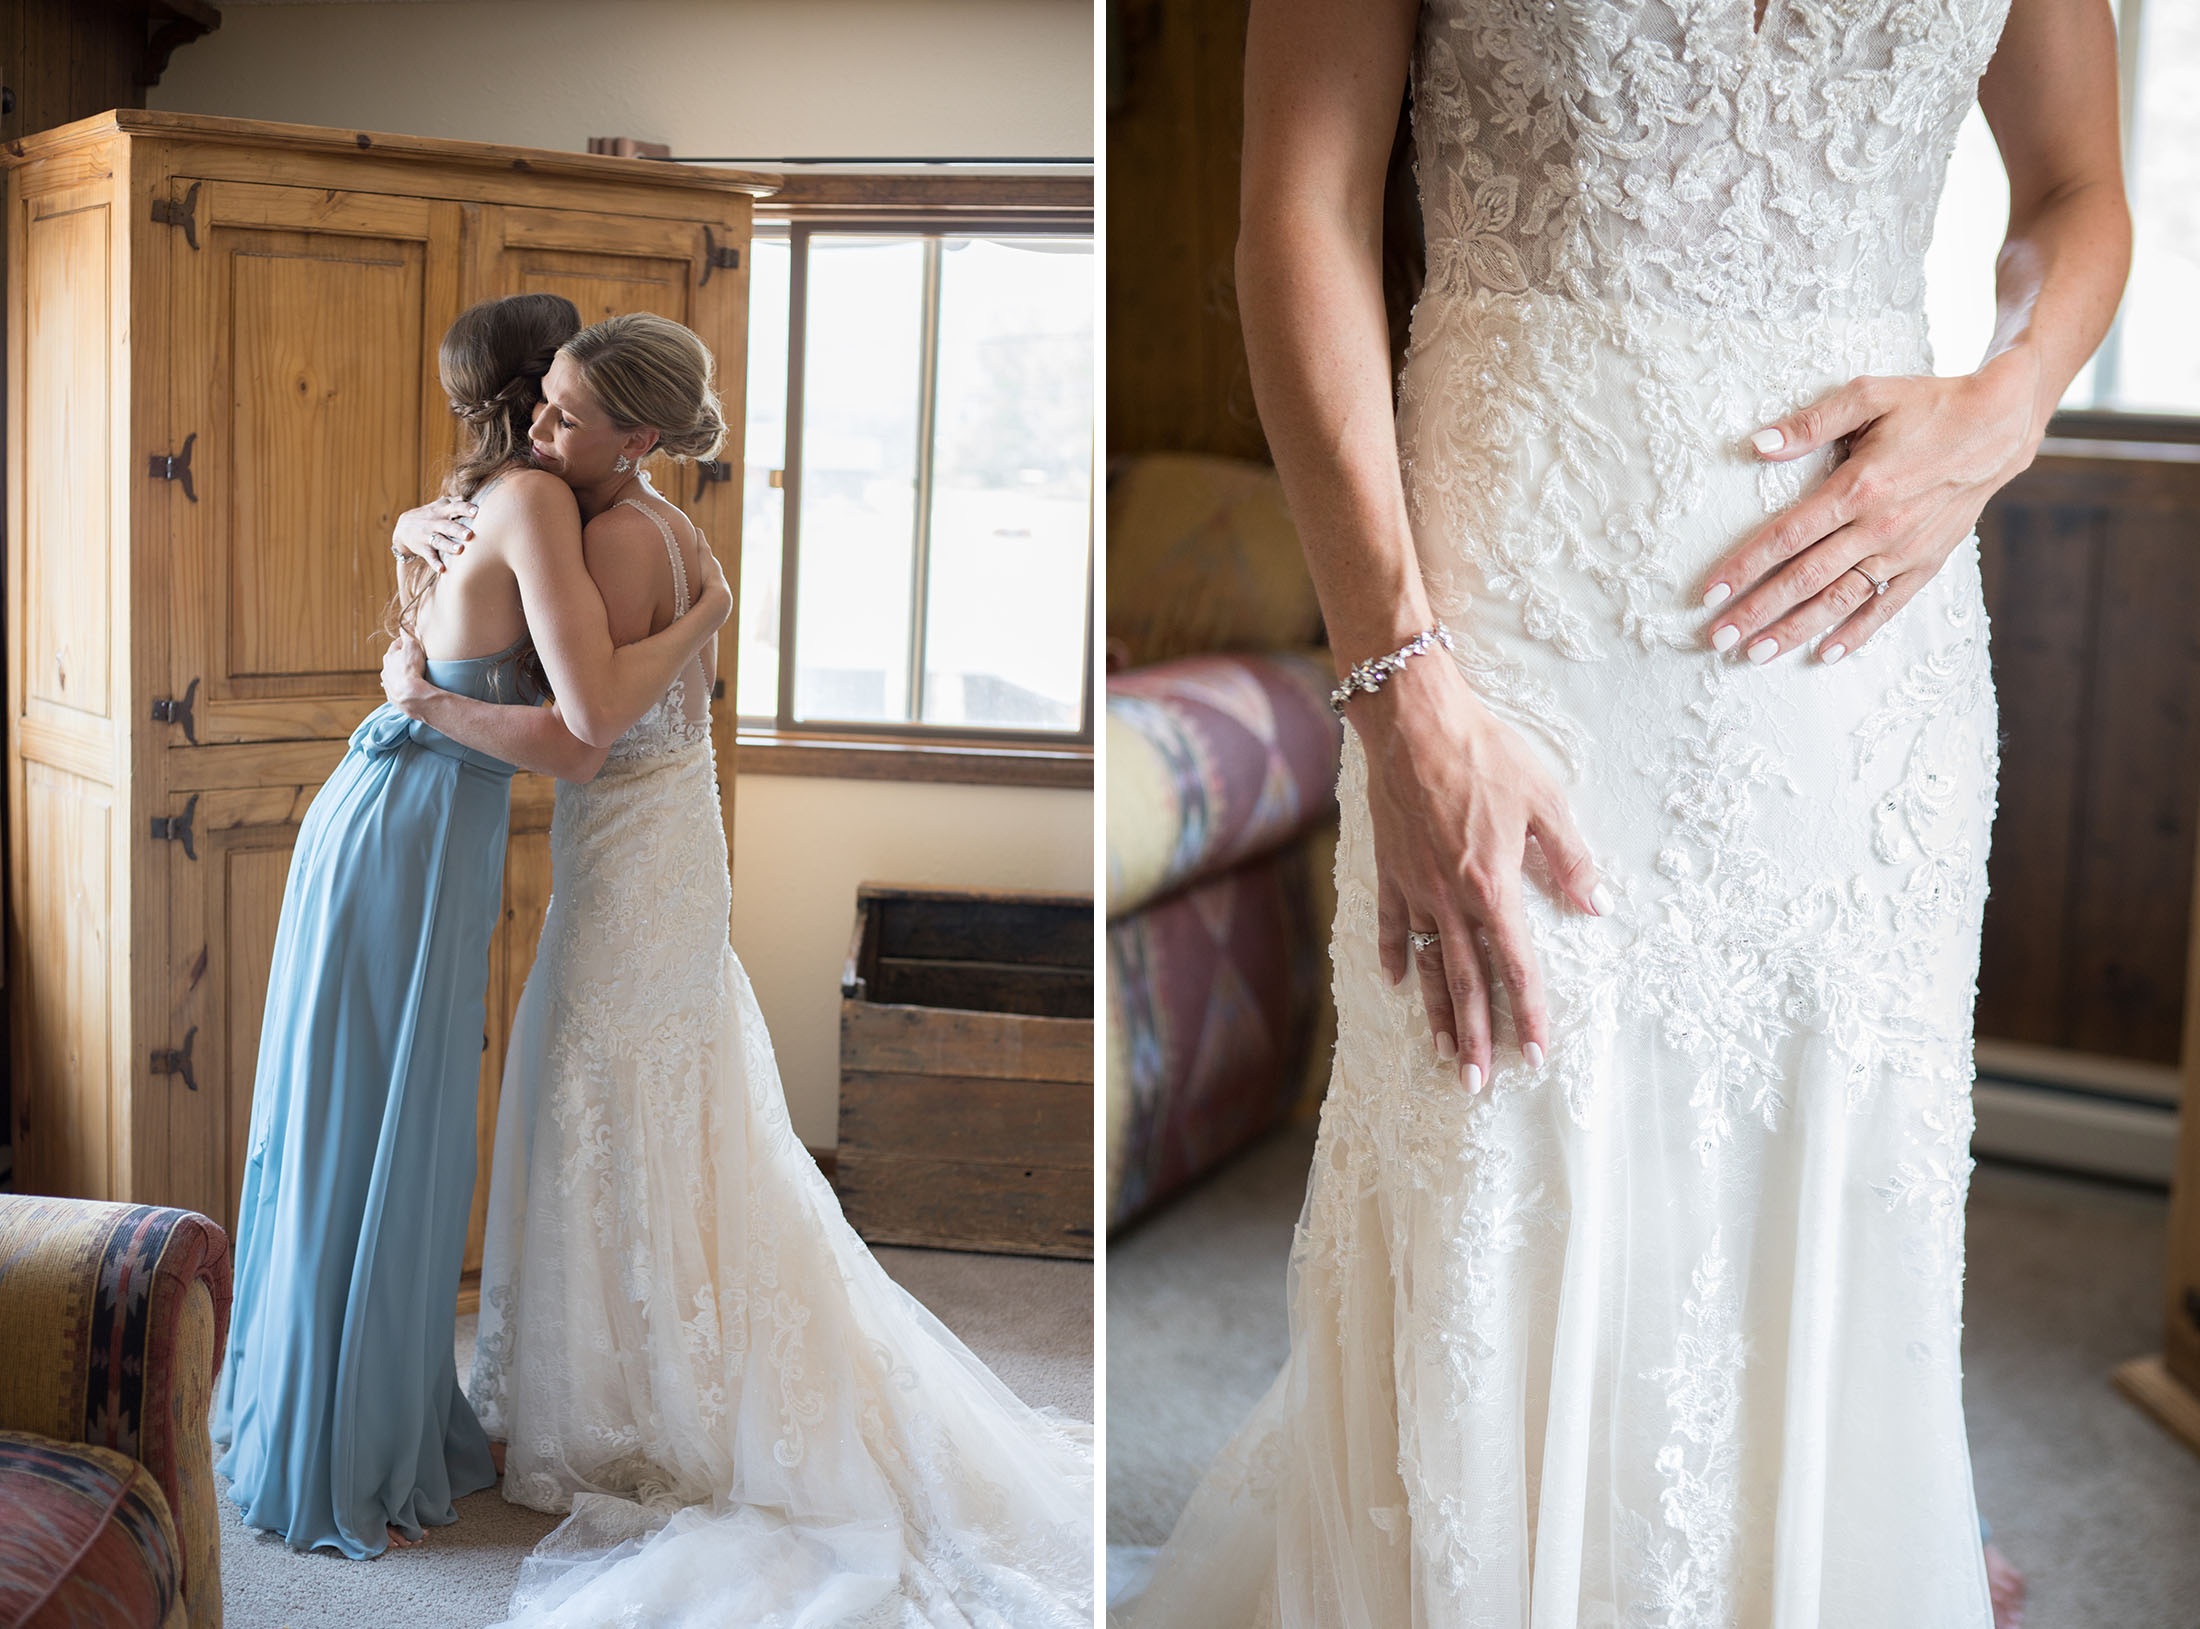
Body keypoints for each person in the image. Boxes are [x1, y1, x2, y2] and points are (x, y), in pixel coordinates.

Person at [1120, 0, 2128, 1624]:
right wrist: (1400, 678)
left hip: (1876, 635)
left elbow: (2080, 188)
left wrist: (2009, 401)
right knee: (1497, 1154)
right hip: (1510, 605)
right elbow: (1298, 213)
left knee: (1830, 1151)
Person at [382, 312, 1094, 1627]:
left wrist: (424, 705)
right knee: (646, 1100)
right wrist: (421, 529)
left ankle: (625, 1412)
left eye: (562, 417)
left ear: (635, 436)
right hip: (665, 848)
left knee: (602, 1102)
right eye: (538, 407)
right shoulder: (660, 523)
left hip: (635, 862)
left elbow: (583, 732)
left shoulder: (609, 532)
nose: (536, 435)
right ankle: (624, 1379)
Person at [212, 293, 731, 1560]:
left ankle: (346, 1410)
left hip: (402, 818)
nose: (554, 417)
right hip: (408, 820)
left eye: (576, 403)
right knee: (383, 1124)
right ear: (531, 397)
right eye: (549, 396)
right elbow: (582, 731)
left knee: (384, 1123)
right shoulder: (544, 501)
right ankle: (342, 1437)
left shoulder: (510, 498)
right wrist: (701, 618)